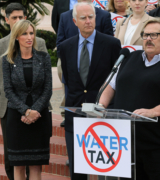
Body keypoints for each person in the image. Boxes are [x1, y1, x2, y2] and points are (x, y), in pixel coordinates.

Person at [0, 3, 48, 180]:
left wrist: (35, 109)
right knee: (13, 160)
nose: (19, 20)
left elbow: (46, 81)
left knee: (35, 161)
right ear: (7, 20)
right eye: (15, 18)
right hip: (10, 109)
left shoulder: (39, 43)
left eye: (21, 17)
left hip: (38, 109)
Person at [60, 2, 121, 180]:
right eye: (83, 18)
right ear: (74, 21)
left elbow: (116, 80)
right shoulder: (66, 47)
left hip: (103, 116)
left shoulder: (111, 44)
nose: (88, 21)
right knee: (77, 171)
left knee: (106, 171)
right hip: (75, 116)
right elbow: (70, 81)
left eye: (91, 17)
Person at [99, 19, 160, 180]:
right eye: (145, 35)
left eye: (154, 35)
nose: (148, 39)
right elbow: (111, 85)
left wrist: (154, 111)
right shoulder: (129, 58)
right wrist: (100, 105)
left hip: (154, 145)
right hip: (125, 142)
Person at [2, 19, 52, 180]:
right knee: (18, 167)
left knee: (36, 166)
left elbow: (48, 89)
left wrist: (35, 110)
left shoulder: (43, 58)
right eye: (24, 34)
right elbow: (8, 90)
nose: (29, 37)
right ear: (16, 36)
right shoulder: (7, 60)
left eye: (31, 33)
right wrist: (26, 111)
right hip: (17, 117)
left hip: (40, 116)